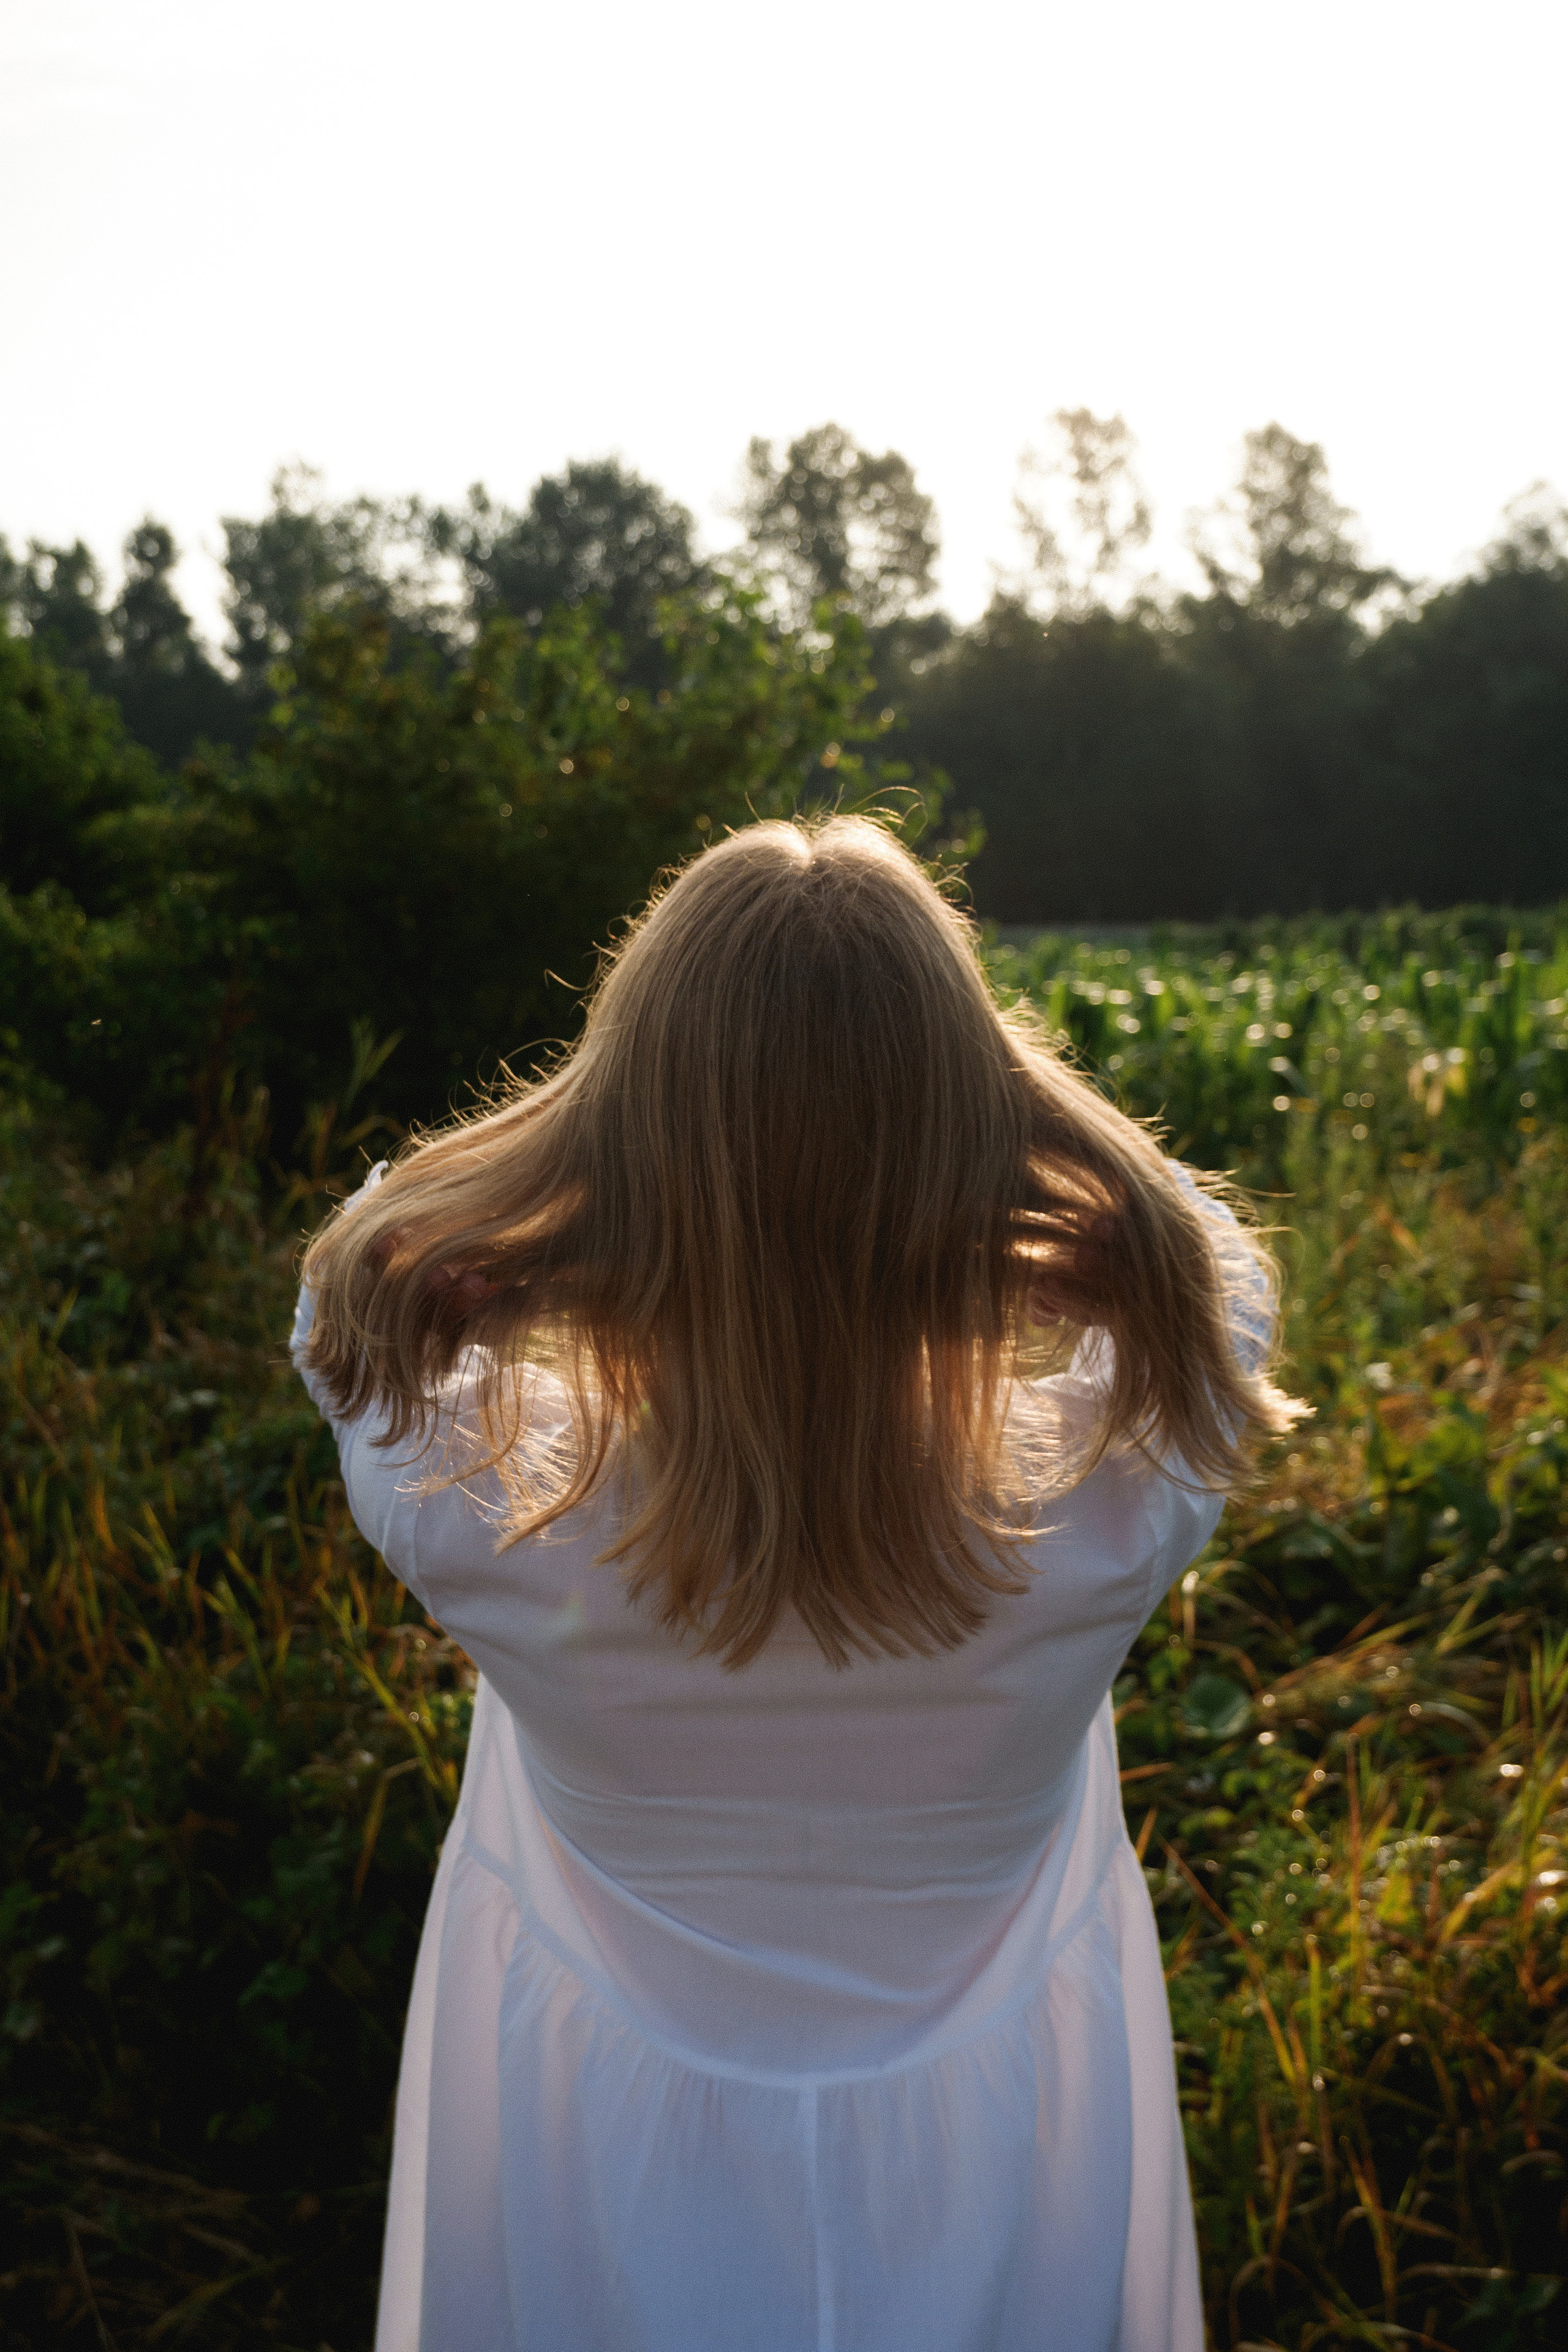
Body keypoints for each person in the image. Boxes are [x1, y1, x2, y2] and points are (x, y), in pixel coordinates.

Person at [292, 815, 1299, 2352]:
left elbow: (345, 1297)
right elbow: (1215, 1270)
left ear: (616, 1120)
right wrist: (999, 1177)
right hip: (1003, 2154)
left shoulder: (475, 1501)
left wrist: (577, 1174)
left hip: (600, 2158)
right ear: (975, 1117)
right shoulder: (1107, 1501)